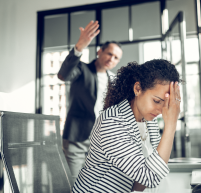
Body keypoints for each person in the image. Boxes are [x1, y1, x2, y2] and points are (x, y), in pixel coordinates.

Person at [73, 59, 182, 192]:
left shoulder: (149, 120)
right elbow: (149, 177)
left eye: (166, 104)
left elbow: (142, 180)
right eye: (156, 101)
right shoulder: (112, 121)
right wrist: (171, 124)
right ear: (138, 88)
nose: (161, 110)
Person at [57, 20, 123, 182]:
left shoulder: (113, 79)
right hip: (77, 137)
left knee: (96, 185)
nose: (112, 59)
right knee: (74, 184)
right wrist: (79, 47)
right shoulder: (81, 69)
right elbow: (63, 75)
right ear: (100, 51)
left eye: (116, 58)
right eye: (109, 54)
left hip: (102, 142)